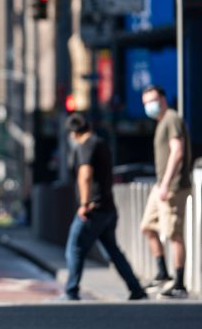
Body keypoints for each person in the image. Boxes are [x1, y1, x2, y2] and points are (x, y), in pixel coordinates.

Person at [61, 113, 147, 301]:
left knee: (74, 248)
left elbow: (85, 174)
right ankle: (136, 289)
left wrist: (84, 204)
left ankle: (71, 291)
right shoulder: (101, 143)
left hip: (93, 208)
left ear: (74, 133)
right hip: (108, 207)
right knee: (113, 251)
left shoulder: (86, 146)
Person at [140, 85, 192, 299]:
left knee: (173, 234)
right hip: (161, 184)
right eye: (145, 103)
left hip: (172, 186)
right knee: (148, 226)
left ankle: (179, 283)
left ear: (163, 98)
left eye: (152, 100)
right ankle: (162, 273)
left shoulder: (171, 118)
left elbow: (177, 151)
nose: (149, 106)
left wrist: (166, 183)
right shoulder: (162, 122)